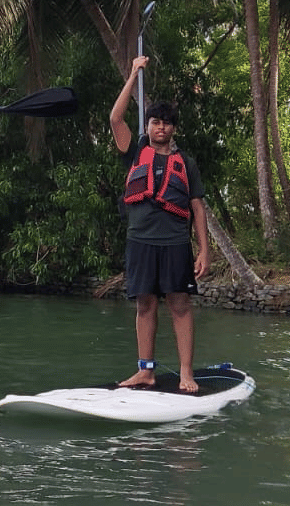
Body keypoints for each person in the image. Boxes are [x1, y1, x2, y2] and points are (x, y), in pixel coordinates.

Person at [110, 56, 209, 392]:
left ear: (173, 129)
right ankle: (146, 371)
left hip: (175, 242)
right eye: (155, 122)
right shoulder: (134, 152)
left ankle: (185, 373)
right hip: (140, 240)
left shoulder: (186, 163)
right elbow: (115, 117)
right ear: (148, 126)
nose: (160, 127)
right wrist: (134, 71)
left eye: (166, 123)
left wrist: (205, 251)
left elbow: (197, 206)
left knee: (179, 304)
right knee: (145, 303)